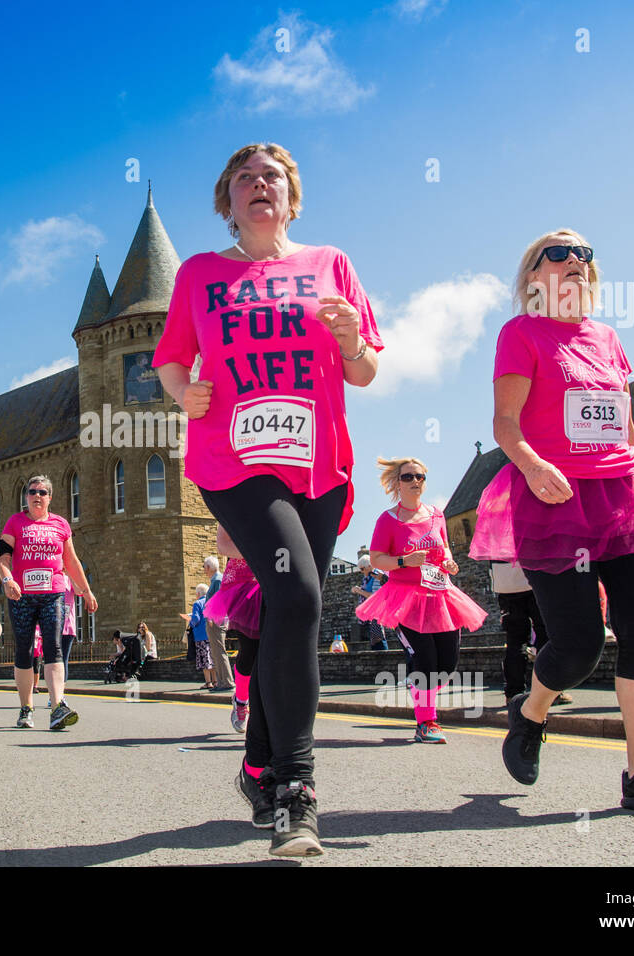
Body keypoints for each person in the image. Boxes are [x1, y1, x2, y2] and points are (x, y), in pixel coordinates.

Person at [153, 142, 382, 855]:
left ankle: (255, 764)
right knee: (302, 600)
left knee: (291, 611)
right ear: (228, 202)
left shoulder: (330, 264)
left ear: (292, 197)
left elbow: (366, 370)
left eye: (272, 178)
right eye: (245, 179)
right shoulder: (199, 274)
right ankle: (296, 789)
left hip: (318, 463)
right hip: (235, 459)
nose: (259, 186)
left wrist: (350, 342)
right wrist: (181, 391)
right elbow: (169, 358)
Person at [470, 228, 634, 817]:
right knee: (576, 645)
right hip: (555, 499)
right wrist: (530, 464)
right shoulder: (520, 333)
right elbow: (505, 422)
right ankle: (531, 710)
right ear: (532, 277)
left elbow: (624, 424)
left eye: (583, 255)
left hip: (625, 496)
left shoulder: (607, 338)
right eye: (558, 253)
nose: (575, 261)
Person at [356, 458, 487, 743]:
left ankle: (419, 692)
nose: (416, 481)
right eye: (408, 477)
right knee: (425, 660)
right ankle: (426, 722)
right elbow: (378, 559)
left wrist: (450, 563)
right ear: (397, 484)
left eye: (421, 476)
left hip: (441, 595)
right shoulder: (388, 520)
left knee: (448, 664)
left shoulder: (437, 515)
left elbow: (446, 550)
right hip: (405, 598)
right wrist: (405, 560)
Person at [0, 474, 97, 730]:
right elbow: (2, 559)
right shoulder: (14, 523)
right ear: (26, 497)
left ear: (50, 497)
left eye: (42, 492)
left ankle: (56, 707)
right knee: (24, 650)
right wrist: (8, 581)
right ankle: (26, 708)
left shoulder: (61, 525)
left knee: (54, 647)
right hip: (22, 597)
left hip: (53, 594)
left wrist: (86, 591)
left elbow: (71, 561)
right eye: (32, 492)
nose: (37, 496)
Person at [205, 525, 262, 735]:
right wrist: (257, 551)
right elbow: (223, 546)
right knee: (249, 649)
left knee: (273, 648)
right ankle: (241, 701)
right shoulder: (236, 499)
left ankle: (269, 706)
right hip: (243, 583)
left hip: (273, 576)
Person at [491, 560, 570, 706]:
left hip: (505, 581)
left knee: (515, 640)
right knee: (545, 635)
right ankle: (549, 691)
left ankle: (514, 694)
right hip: (534, 575)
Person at [202, 556, 234, 691]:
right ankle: (221, 682)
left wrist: (210, 617)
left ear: (209, 567)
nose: (203, 570)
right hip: (215, 620)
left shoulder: (217, 580)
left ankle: (226, 682)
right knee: (216, 652)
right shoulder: (215, 580)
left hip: (216, 621)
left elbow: (220, 600)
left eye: (204, 567)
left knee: (219, 651)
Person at [352, 555, 389, 650]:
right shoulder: (367, 578)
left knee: (378, 638)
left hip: (376, 612)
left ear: (369, 566)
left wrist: (359, 591)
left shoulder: (376, 576)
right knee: (374, 639)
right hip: (371, 613)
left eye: (362, 569)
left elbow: (374, 595)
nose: (361, 571)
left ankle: (383, 658)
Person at [187, 584, 215, 688]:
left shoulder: (197, 603)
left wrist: (190, 622)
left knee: (205, 659)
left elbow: (196, 619)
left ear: (198, 594)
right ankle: (215, 681)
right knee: (212, 658)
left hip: (201, 635)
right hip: (212, 634)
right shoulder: (211, 602)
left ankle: (208, 682)